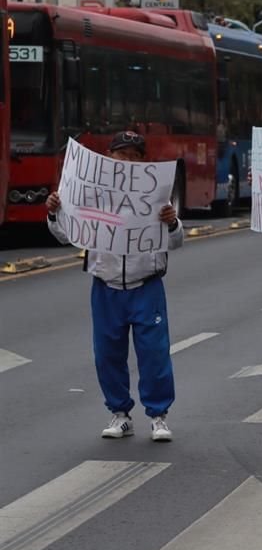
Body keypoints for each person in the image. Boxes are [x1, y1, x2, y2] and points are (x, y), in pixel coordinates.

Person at [46, 131, 182, 441]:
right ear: (110, 157)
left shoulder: (155, 193)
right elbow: (67, 235)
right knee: (107, 353)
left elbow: (176, 241)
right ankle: (120, 414)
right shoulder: (90, 194)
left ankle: (158, 416)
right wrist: (55, 212)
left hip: (146, 285)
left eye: (136, 155)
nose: (129, 160)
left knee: (154, 354)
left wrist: (172, 222)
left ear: (143, 160)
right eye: (123, 154)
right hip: (105, 286)